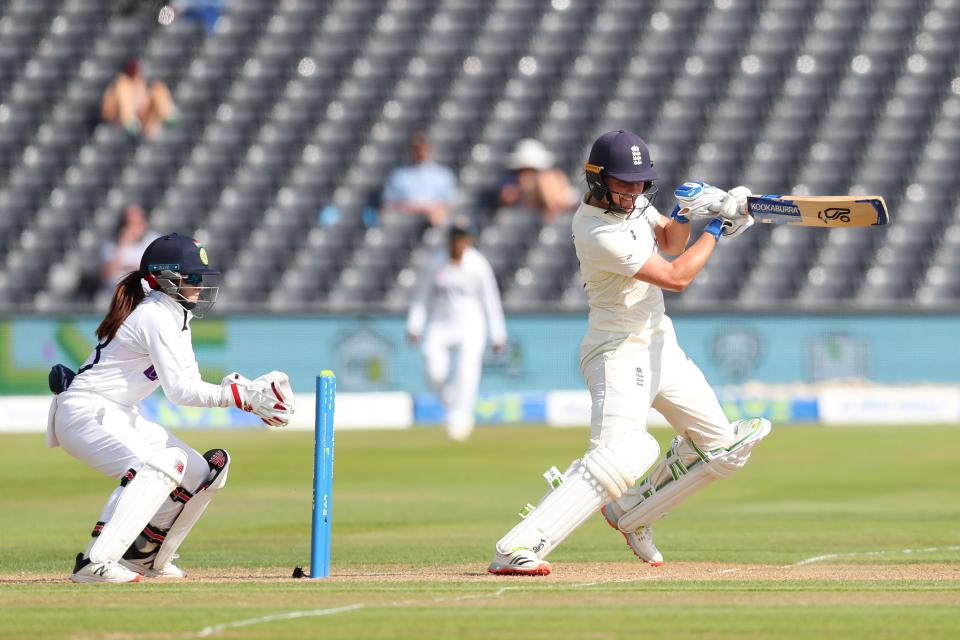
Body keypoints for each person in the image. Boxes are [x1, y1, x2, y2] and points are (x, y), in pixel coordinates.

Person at [486, 129, 771, 576]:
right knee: (620, 455)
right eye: (624, 183)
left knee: (723, 447)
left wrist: (685, 212)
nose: (634, 191)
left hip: (660, 345)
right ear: (598, 180)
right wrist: (718, 227)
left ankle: (633, 511)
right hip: (618, 353)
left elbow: (672, 242)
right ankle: (516, 548)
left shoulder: (634, 201)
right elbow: (677, 275)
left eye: (640, 183)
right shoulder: (596, 230)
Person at [46, 233, 295, 583]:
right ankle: (94, 561)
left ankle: (144, 555)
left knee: (201, 471)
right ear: (164, 278)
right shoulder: (154, 316)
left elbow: (190, 382)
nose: (200, 285)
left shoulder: (177, 317)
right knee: (159, 465)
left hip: (119, 413)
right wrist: (240, 398)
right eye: (192, 277)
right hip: (86, 413)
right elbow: (180, 391)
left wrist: (237, 393)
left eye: (202, 277)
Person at [406, 224, 507, 441]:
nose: (458, 245)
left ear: (468, 241)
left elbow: (491, 300)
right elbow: (422, 296)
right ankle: (453, 404)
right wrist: (414, 325)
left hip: (471, 325)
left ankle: (461, 417)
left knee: (466, 370)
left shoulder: (478, 264)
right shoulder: (436, 262)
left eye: (462, 240)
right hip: (440, 323)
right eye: (455, 240)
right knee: (434, 370)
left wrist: (498, 333)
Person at [381, 133, 457, 227]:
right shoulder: (398, 175)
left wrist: (428, 208)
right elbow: (388, 202)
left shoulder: (442, 174)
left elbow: (448, 202)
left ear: (429, 150)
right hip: (404, 220)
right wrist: (411, 207)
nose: (420, 153)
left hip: (433, 218)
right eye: (416, 149)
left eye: (422, 149)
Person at [498, 138, 577, 223]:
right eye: (520, 172)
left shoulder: (565, 193)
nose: (524, 177)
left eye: (530, 171)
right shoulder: (516, 196)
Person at [101, 58, 177, 138]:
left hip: (142, 121)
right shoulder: (118, 84)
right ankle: (129, 122)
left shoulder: (140, 82)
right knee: (123, 87)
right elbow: (106, 113)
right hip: (120, 121)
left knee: (158, 87)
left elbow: (143, 104)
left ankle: (167, 114)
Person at [100, 204, 161, 289]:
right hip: (118, 292)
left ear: (144, 223)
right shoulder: (111, 243)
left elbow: (159, 272)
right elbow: (107, 275)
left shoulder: (153, 241)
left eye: (137, 223)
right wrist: (122, 245)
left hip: (147, 293)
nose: (133, 228)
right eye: (129, 223)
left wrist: (131, 269)